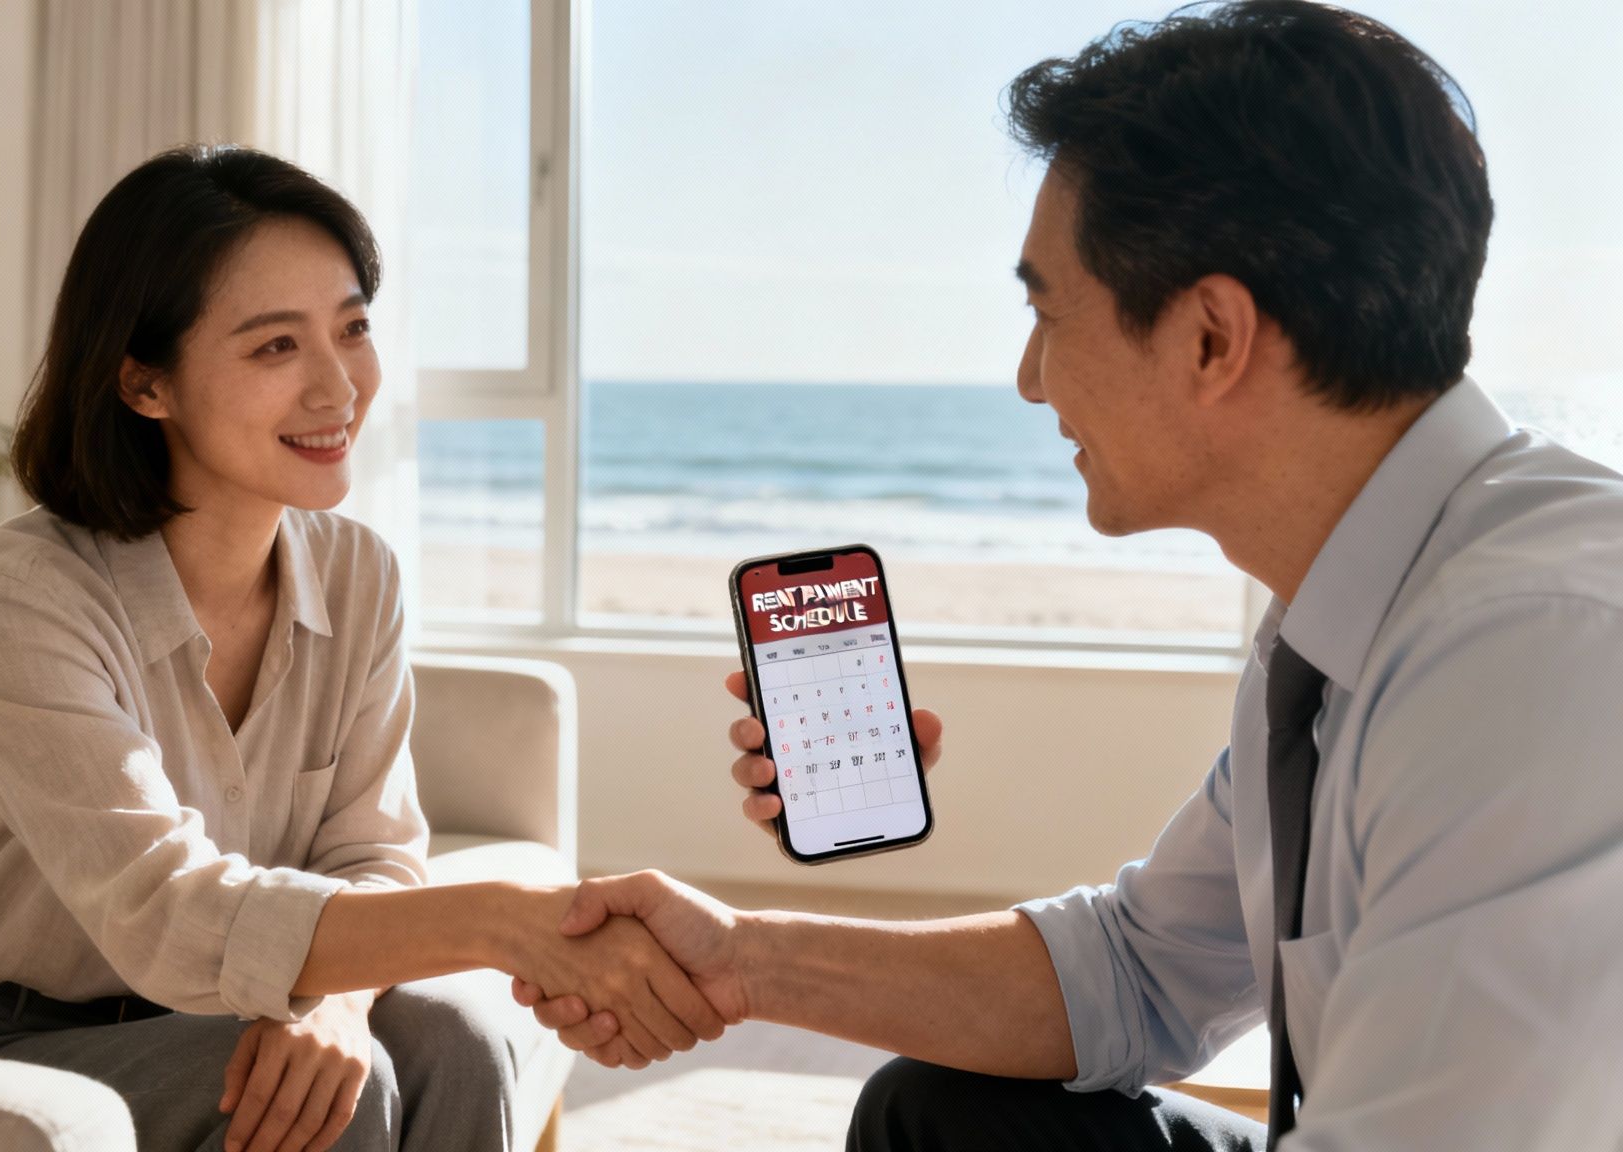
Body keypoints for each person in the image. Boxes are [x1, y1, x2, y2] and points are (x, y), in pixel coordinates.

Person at [514, 2, 1623, 1148]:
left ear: (1209, 338)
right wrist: (742, 961)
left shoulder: (1534, 653)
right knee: (935, 1110)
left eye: (1046, 310)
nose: (1029, 378)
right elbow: (1137, 972)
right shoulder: (1336, 624)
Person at [0, 146, 726, 1152]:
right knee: (318, 1105)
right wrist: (499, 919)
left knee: (457, 1039)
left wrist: (333, 1003)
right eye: (273, 349)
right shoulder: (22, 598)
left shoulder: (357, 575)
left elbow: (371, 851)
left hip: (208, 1009)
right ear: (143, 383)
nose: (338, 386)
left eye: (351, 329)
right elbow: (164, 913)